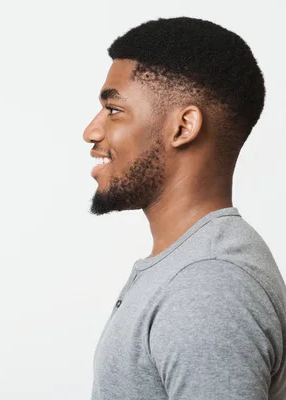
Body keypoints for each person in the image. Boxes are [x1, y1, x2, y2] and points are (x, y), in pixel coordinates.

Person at [83, 17, 286, 399]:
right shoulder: (192, 266)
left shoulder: (208, 284)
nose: (91, 132)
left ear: (183, 127)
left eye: (113, 110)